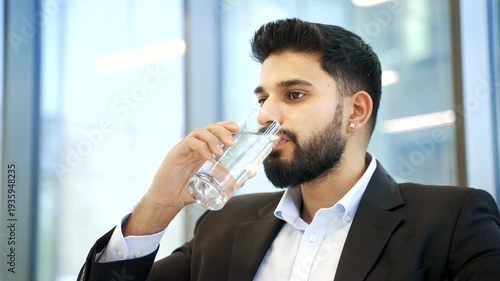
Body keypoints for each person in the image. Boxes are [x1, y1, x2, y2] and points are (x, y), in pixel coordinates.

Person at [78, 18, 500, 281]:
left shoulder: (453, 221)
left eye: (294, 95)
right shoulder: (222, 227)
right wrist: (158, 204)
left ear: (356, 110)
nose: (265, 116)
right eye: (262, 99)